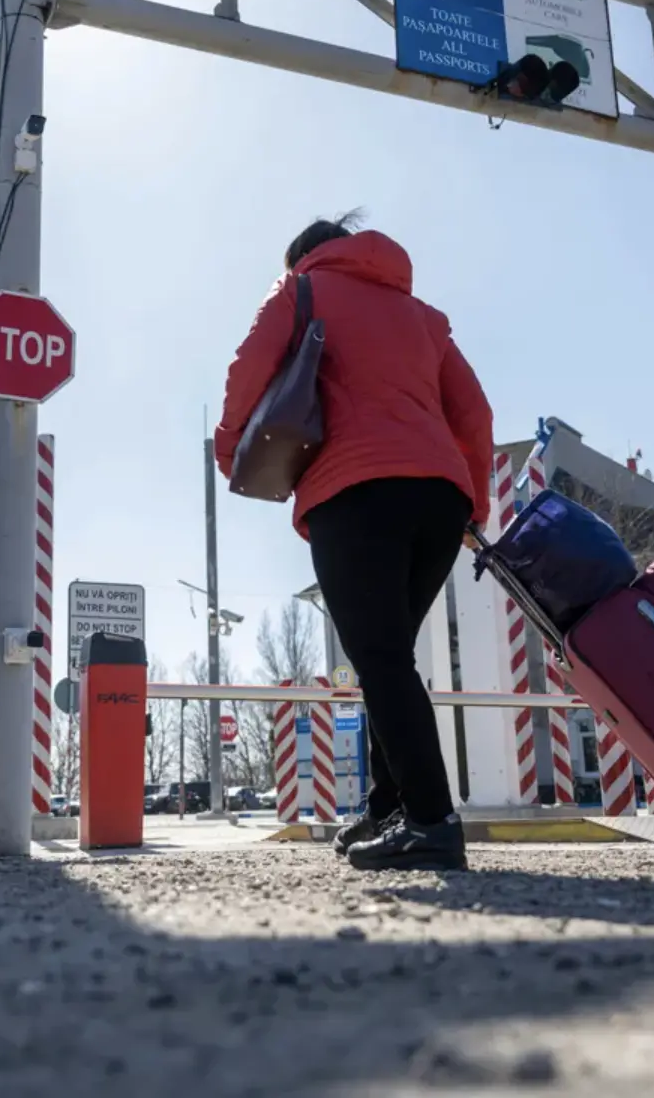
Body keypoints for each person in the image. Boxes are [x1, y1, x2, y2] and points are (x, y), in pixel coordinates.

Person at [215, 213, 493, 871]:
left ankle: (430, 821)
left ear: (304, 256)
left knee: (382, 660)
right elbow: (473, 412)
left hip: (355, 490)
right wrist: (473, 502)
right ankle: (388, 806)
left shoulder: (300, 291)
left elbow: (247, 369)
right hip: (439, 500)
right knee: (387, 656)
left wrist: (233, 453)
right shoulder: (423, 316)